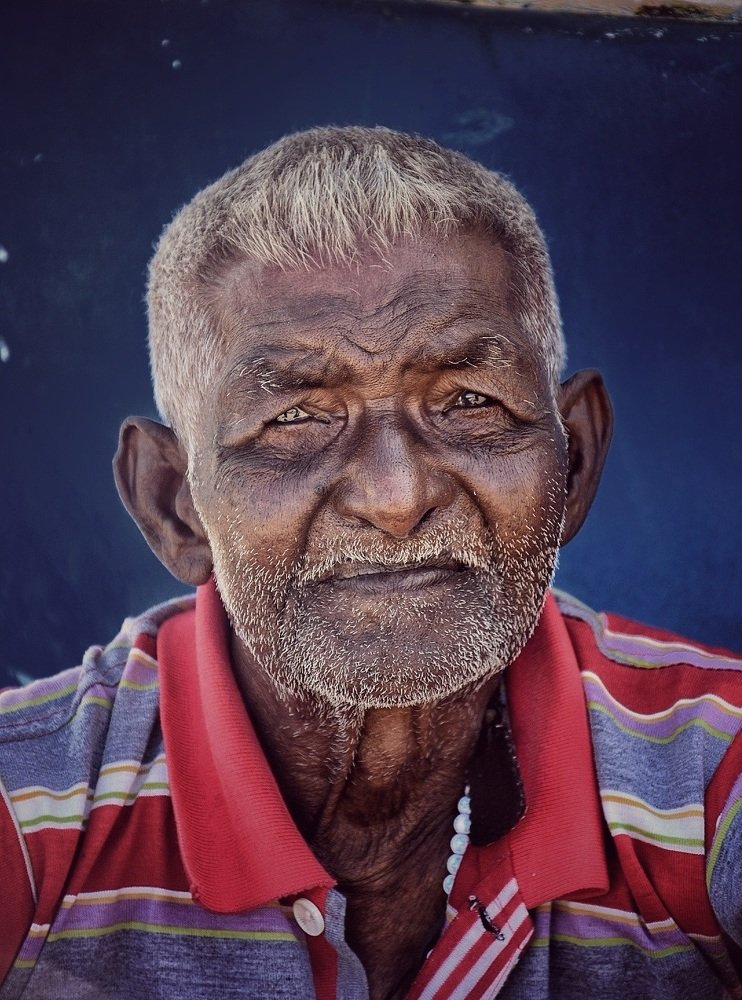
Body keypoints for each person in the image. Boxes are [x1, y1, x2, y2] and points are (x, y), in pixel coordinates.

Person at [0, 126, 739, 1000]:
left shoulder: (705, 769)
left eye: (470, 401)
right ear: (174, 504)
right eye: (296, 418)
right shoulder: (33, 811)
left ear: (572, 461)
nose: (396, 494)